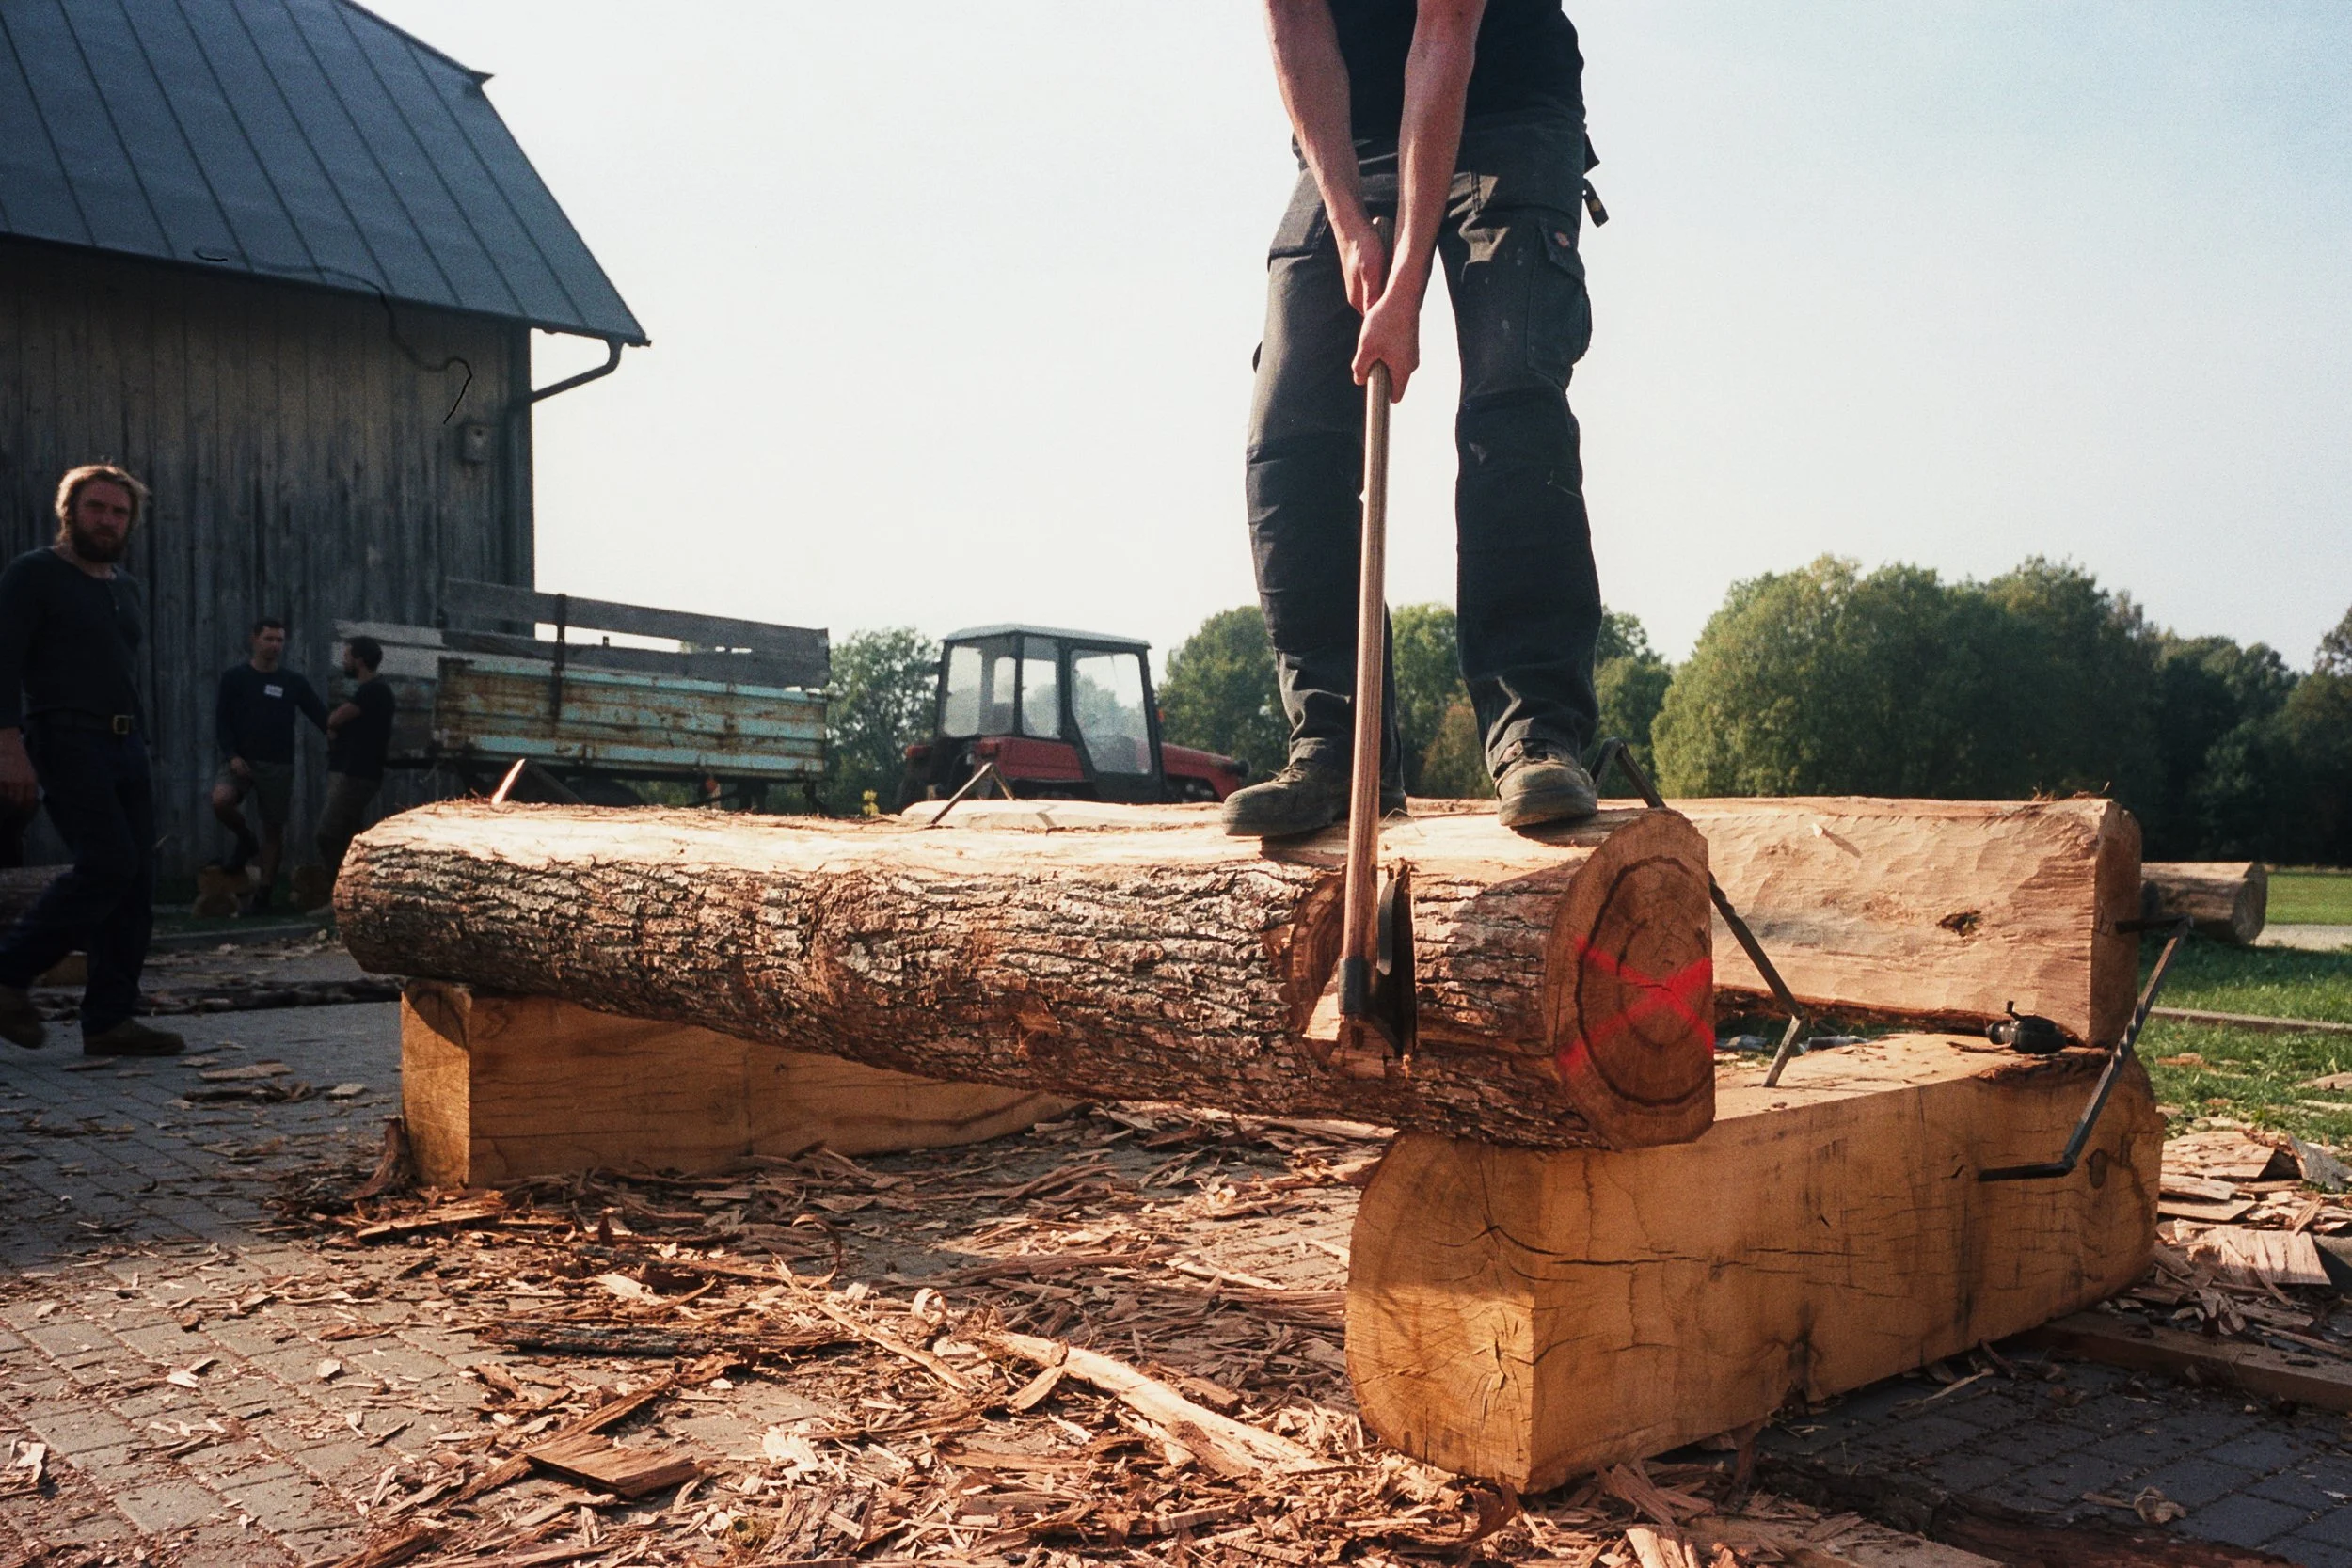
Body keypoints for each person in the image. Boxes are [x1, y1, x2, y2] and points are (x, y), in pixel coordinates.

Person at [1222, 0, 1606, 837]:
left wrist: (1403, 286)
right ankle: (1336, 746)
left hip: (1506, 106)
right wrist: (1353, 229)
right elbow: (1297, 32)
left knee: (1511, 394)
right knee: (1288, 434)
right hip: (1353, 135)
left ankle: (1536, 729)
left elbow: (1444, 42)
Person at [0, 464, 183, 1056]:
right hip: (64, 736)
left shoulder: (123, 588)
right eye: (95, 508)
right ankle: (8, 974)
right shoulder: (34, 575)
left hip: (126, 744)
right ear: (69, 513)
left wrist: (142, 746)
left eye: (118, 512)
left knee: (136, 883)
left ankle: (109, 1021)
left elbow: (121, 672)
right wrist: (9, 746)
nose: (107, 520)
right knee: (107, 863)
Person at [212, 618, 327, 913]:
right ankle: (245, 839)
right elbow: (222, 721)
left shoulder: (292, 682)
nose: (274, 646)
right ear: (254, 639)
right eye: (269, 639)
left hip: (278, 763)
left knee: (273, 829)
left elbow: (322, 717)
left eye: (279, 640)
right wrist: (232, 755)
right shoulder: (235, 677)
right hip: (241, 760)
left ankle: (264, 893)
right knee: (221, 801)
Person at [316, 635, 394, 881]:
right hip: (352, 770)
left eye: (347, 656)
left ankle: (337, 890)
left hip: (358, 773)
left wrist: (333, 726)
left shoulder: (374, 690)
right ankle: (355, 888)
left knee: (328, 832)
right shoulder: (369, 691)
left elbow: (335, 719)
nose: (344, 662)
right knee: (349, 832)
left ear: (359, 660)